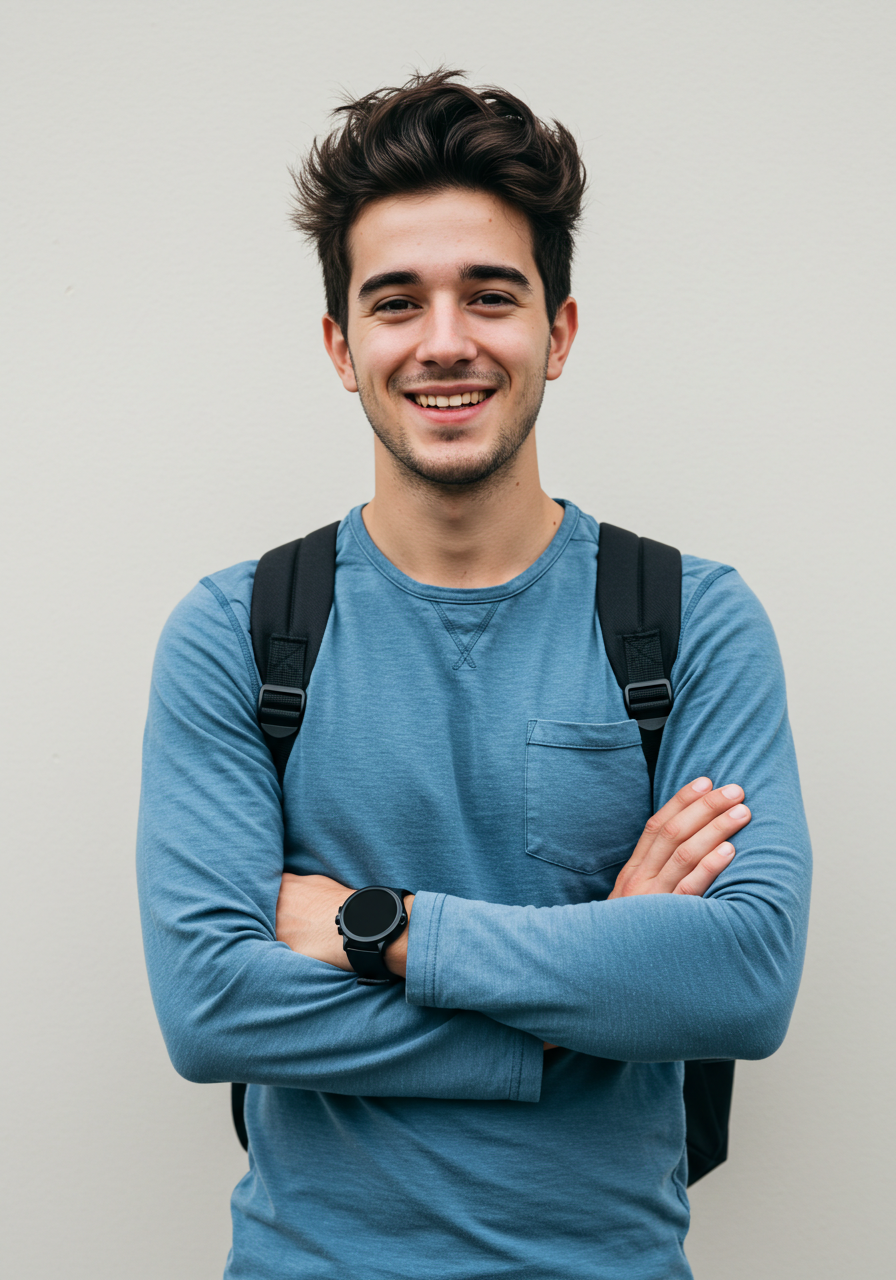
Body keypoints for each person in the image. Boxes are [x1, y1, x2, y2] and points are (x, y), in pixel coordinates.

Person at [137, 70, 811, 1280]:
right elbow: (209, 1007)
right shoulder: (238, 633)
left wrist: (377, 926)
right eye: (396, 302)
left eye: (488, 296)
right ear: (343, 348)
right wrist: (583, 994)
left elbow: (745, 977)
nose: (444, 340)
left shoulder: (686, 621)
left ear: (554, 330)